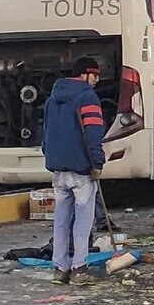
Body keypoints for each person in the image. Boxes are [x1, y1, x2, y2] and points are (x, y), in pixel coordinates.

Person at [43, 57, 107, 285]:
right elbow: (93, 133)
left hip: (58, 169)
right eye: (94, 75)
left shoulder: (52, 100)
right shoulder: (88, 98)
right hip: (81, 170)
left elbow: (45, 134)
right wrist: (97, 162)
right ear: (84, 74)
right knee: (82, 221)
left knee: (61, 220)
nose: (96, 80)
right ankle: (79, 268)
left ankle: (60, 269)